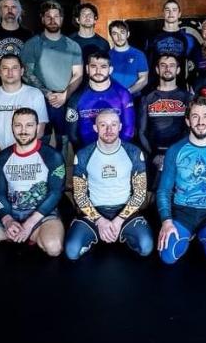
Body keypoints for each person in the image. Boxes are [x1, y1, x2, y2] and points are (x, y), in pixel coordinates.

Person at [0, 108, 65, 257]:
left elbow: (55, 193)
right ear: (12, 127)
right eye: (18, 125)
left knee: (54, 248)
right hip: (9, 212)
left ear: (37, 127)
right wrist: (7, 221)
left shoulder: (52, 156)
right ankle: (12, 234)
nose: (23, 130)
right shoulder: (2, 158)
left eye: (29, 125)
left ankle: (29, 235)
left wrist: (29, 224)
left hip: (40, 216)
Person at [156, 97, 206, 267]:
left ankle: (203, 235)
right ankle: (188, 235)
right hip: (182, 214)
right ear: (187, 121)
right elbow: (163, 191)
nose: (200, 122)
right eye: (195, 116)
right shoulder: (175, 150)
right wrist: (166, 221)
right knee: (168, 257)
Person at [65, 109, 153, 260]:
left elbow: (140, 193)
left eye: (113, 124)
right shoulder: (83, 154)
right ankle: (99, 233)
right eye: (103, 125)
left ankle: (118, 233)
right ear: (95, 128)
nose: (109, 130)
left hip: (125, 212)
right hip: (94, 212)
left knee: (146, 247)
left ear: (120, 127)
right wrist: (100, 221)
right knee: (72, 251)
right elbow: (79, 194)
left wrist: (118, 221)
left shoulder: (133, 152)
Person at [20, 0, 83, 148]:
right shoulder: (32, 44)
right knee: (41, 139)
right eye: (48, 16)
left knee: (66, 140)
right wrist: (48, 94)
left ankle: (62, 163)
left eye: (56, 16)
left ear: (62, 19)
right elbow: (27, 74)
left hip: (65, 99)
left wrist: (65, 95)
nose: (52, 20)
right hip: (40, 100)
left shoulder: (73, 46)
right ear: (42, 19)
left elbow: (78, 74)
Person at [139, 54, 192, 195]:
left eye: (172, 65)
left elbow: (191, 129)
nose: (167, 69)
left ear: (178, 70)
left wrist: (178, 155)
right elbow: (141, 131)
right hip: (155, 156)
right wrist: (153, 154)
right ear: (157, 69)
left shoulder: (187, 97)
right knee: (156, 196)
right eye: (163, 65)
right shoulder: (148, 97)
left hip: (182, 156)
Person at [0, 54, 48, 153]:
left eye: (14, 68)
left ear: (22, 71)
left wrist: (21, 153)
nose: (10, 72)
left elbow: (39, 130)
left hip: (27, 154)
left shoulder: (35, 94)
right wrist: (1, 154)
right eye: (5, 68)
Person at [66, 51, 135, 150]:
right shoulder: (76, 97)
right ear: (87, 69)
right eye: (93, 66)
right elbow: (72, 135)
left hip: (117, 150)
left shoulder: (123, 94)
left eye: (103, 67)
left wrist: (116, 150)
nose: (98, 71)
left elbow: (129, 130)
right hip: (86, 150)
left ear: (110, 70)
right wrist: (86, 152)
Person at [146, 0, 195, 85]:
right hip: (156, 86)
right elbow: (146, 64)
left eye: (174, 10)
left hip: (179, 86)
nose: (170, 13)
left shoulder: (188, 39)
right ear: (163, 13)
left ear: (179, 14)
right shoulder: (152, 37)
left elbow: (193, 65)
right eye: (167, 10)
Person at [108, 20, 148, 96]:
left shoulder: (139, 55)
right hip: (113, 98)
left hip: (134, 98)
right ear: (111, 36)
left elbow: (144, 80)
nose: (119, 37)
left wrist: (127, 93)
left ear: (128, 34)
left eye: (122, 32)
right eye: (115, 33)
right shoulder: (107, 56)